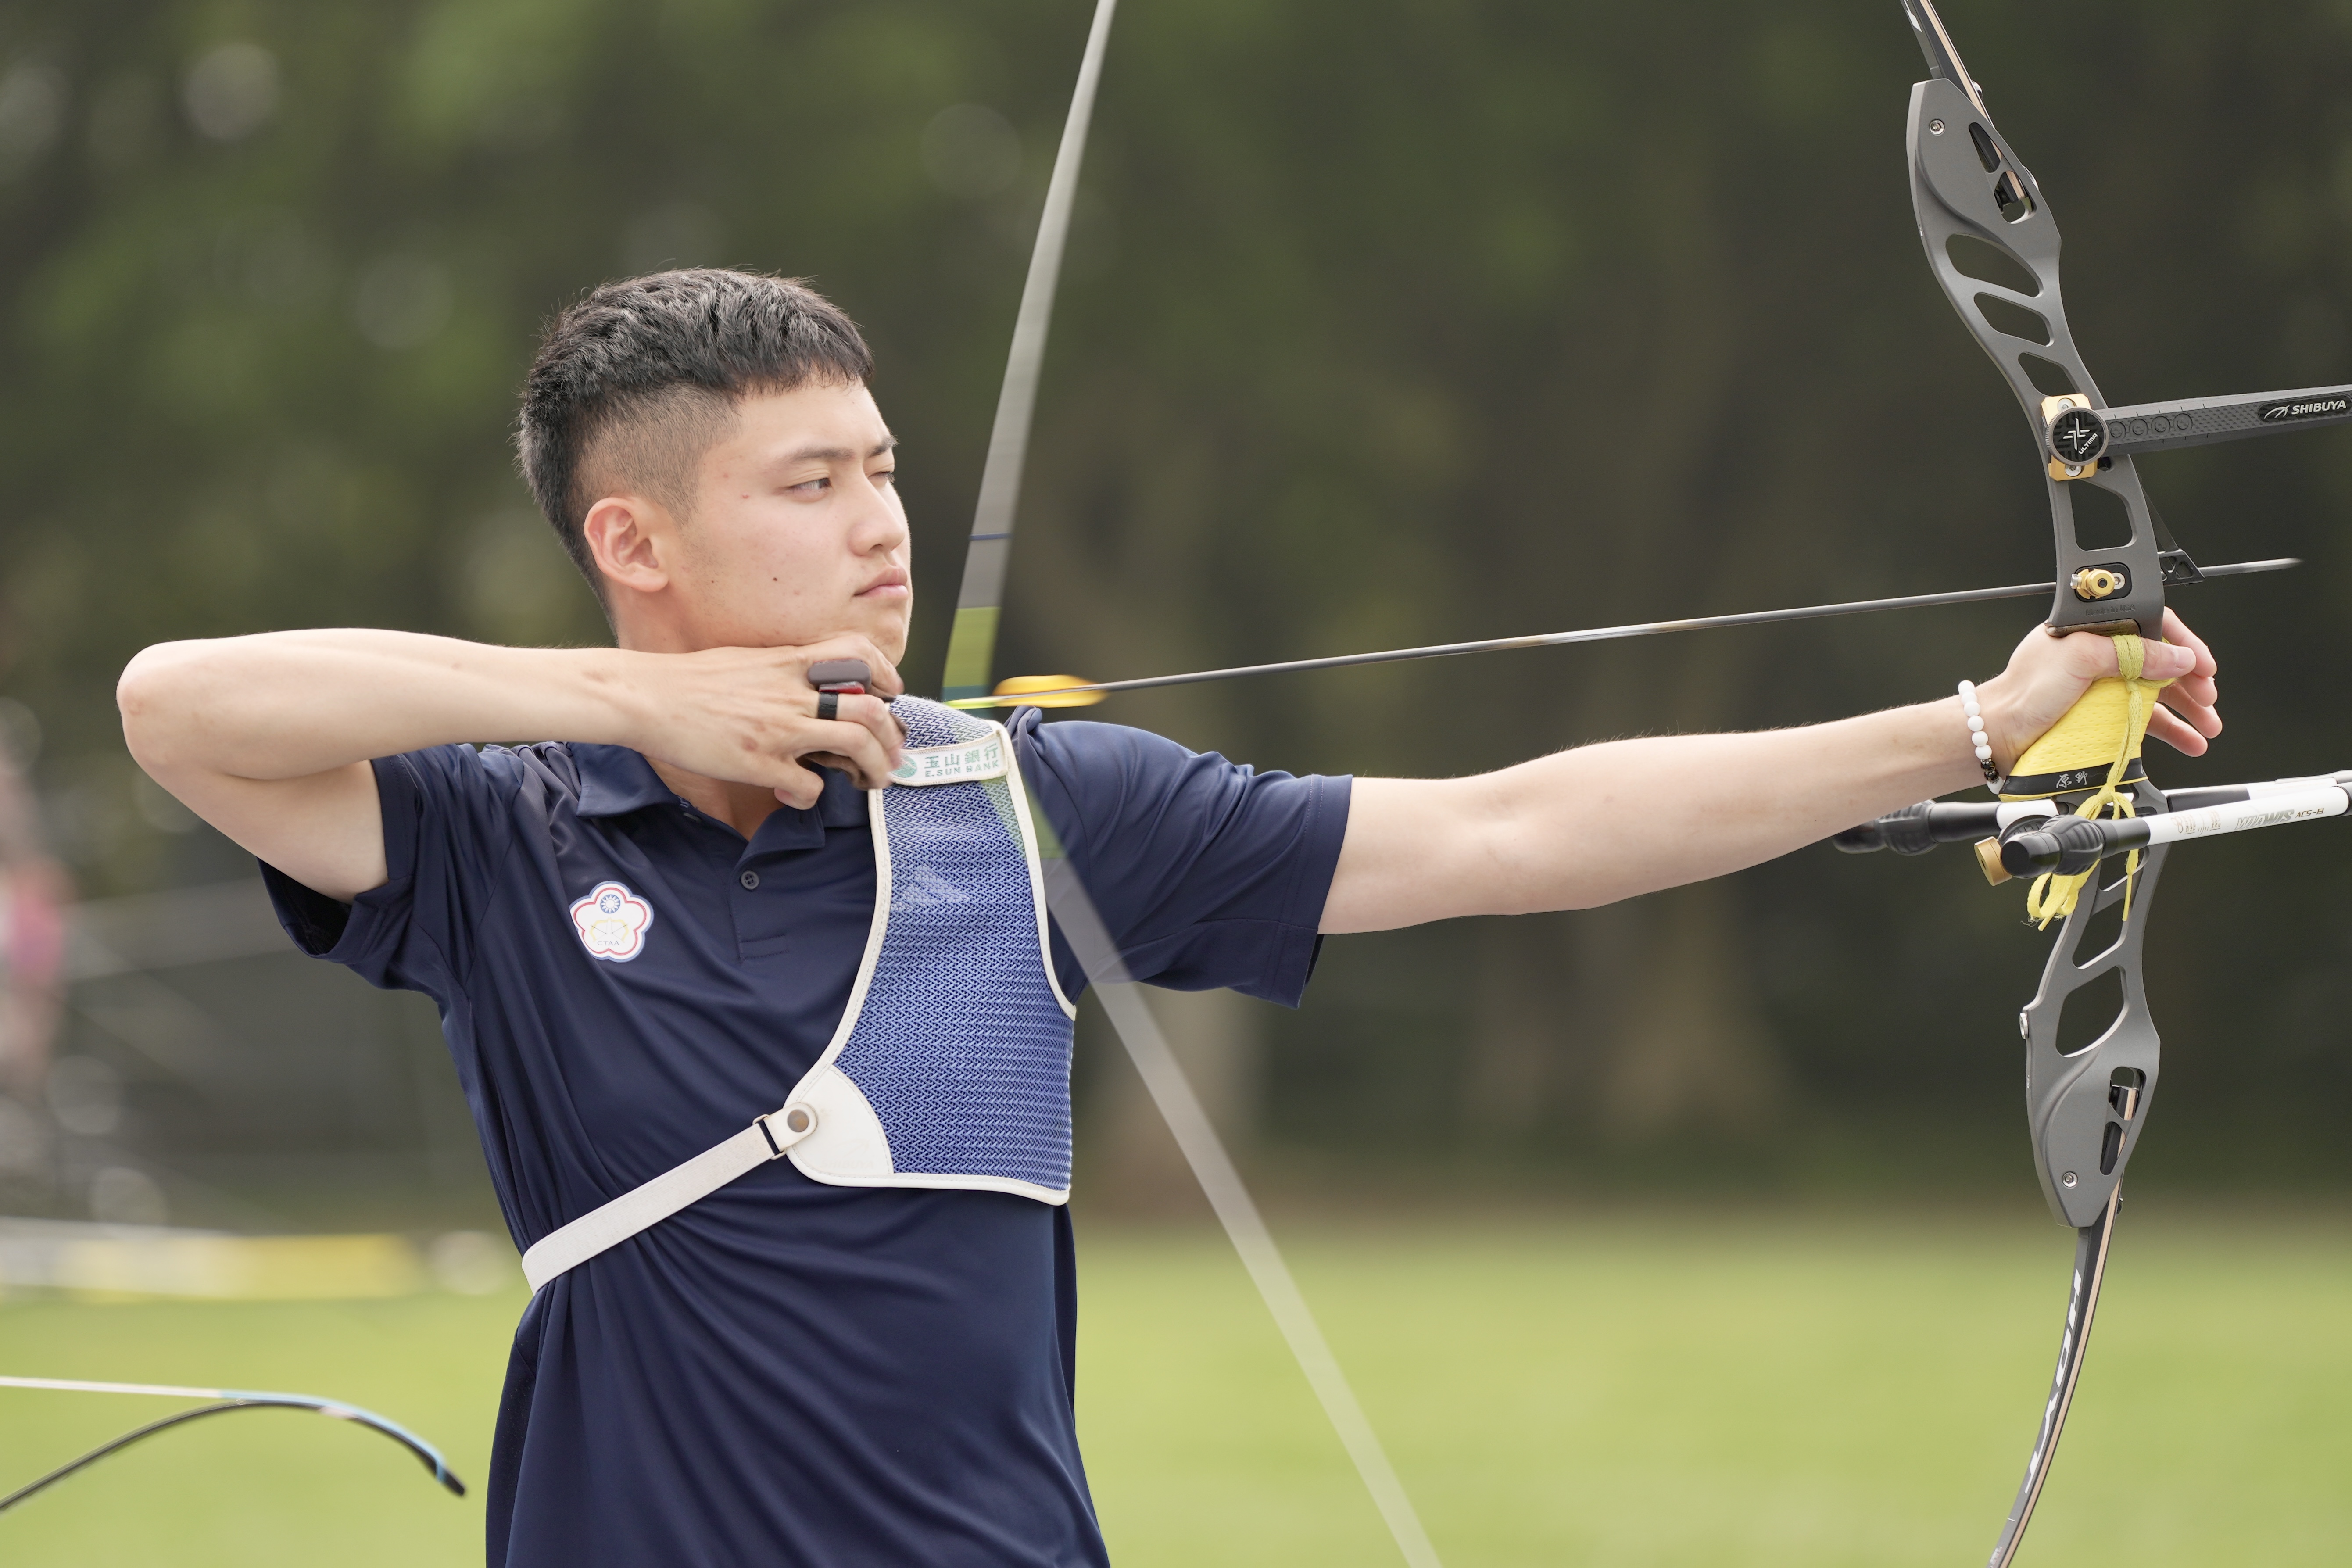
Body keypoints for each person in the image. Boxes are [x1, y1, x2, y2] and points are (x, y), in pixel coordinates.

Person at [115, 269, 2222, 1567]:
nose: (879, 526)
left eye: (882, 469)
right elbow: (179, 706)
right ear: (632, 541)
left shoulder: (1019, 801)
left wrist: (1975, 721)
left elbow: (1511, 833)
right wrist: (629, 704)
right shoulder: (501, 832)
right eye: (808, 486)